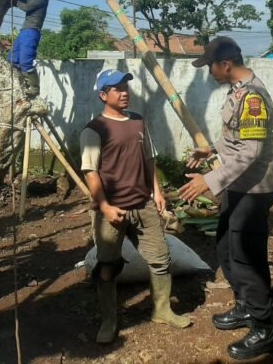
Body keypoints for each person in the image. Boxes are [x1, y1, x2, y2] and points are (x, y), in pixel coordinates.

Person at [178, 36, 273, 360]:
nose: (208, 72)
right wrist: (211, 149)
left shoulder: (252, 98)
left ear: (225, 65)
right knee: (225, 247)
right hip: (239, 184)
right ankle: (245, 305)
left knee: (246, 255)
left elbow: (250, 153)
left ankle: (264, 329)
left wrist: (209, 181)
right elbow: (236, 138)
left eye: (209, 66)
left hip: (255, 187)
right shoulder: (238, 91)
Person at [81, 69, 191, 344]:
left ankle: (162, 310)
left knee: (161, 259)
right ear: (103, 95)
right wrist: (105, 207)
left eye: (125, 87)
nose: (124, 92)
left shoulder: (138, 121)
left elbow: (148, 159)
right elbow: (91, 173)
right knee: (108, 266)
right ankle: (109, 320)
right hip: (112, 211)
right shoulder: (94, 130)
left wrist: (157, 191)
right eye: (117, 89)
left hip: (143, 205)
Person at [9, 0, 50, 96]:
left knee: (25, 62)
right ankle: (19, 83)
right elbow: (19, 2)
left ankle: (34, 87)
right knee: (12, 60)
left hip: (31, 32)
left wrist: (15, 0)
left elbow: (26, 7)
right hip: (24, 32)